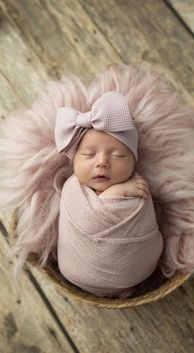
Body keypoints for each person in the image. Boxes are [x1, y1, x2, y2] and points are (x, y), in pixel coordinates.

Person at [55, 91, 164, 298]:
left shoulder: (137, 187)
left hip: (132, 271)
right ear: (74, 161)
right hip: (74, 268)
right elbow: (89, 218)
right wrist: (117, 192)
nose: (102, 162)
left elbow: (143, 217)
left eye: (118, 155)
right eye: (88, 154)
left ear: (133, 163)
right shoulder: (71, 187)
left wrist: (122, 192)